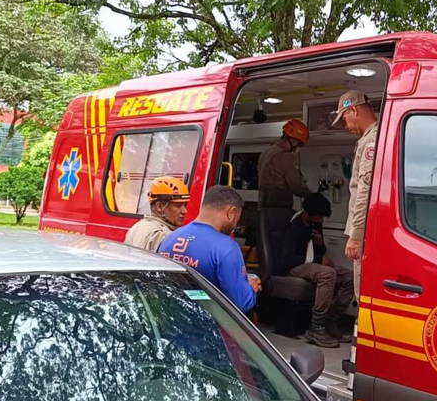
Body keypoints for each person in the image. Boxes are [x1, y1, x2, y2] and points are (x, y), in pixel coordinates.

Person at [158, 186, 261, 312]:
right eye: (236, 220)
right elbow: (240, 303)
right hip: (205, 326)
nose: (234, 225)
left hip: (170, 318)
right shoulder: (227, 247)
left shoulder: (169, 239)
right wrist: (250, 288)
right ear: (231, 213)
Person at [279, 193, 354, 348]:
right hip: (294, 267)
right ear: (307, 214)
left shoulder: (314, 224)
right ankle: (316, 326)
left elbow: (320, 250)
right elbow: (286, 259)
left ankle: (330, 320)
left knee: (349, 277)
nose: (321, 221)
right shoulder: (295, 227)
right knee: (328, 273)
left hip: (312, 264)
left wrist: (320, 244)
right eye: (318, 217)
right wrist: (318, 260)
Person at [331, 90, 379, 298]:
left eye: (344, 120)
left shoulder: (371, 141)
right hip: (371, 232)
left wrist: (356, 235)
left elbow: (364, 190)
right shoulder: (375, 137)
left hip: (366, 234)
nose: (346, 127)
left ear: (353, 109)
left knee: (363, 293)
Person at [257, 118, 313, 209]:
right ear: (294, 141)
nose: (297, 148)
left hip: (262, 209)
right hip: (279, 211)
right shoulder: (285, 156)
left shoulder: (266, 153)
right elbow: (296, 186)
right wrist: (311, 195)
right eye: (299, 145)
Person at [124, 176, 190, 252]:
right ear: (159, 207)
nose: (184, 211)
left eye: (184, 205)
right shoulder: (161, 235)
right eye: (178, 205)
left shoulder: (136, 227)